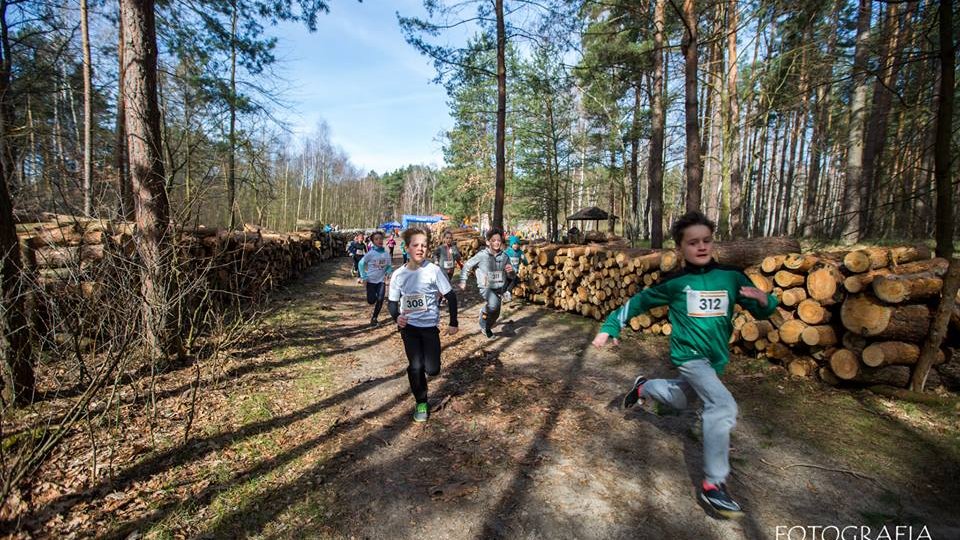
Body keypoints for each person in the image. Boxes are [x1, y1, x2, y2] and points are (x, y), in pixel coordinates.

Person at [591, 211, 777, 519]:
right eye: (693, 243)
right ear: (680, 249)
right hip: (689, 356)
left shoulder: (731, 276)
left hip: (716, 358)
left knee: (682, 399)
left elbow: (762, 310)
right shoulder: (675, 282)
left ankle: (644, 388)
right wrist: (611, 325)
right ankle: (713, 485)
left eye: (706, 240)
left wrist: (764, 299)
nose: (701, 247)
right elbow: (637, 303)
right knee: (722, 406)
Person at [387, 227, 459, 422]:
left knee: (433, 369)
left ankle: (417, 371)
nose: (420, 249)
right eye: (415, 245)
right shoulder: (398, 275)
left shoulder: (433, 271)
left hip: (429, 329)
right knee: (416, 366)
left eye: (424, 246)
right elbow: (393, 304)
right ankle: (421, 401)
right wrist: (397, 318)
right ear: (407, 248)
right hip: (409, 329)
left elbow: (451, 297)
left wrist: (453, 322)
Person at [459, 228, 516, 339]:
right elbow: (467, 265)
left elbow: (512, 276)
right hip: (485, 287)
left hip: (499, 287)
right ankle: (484, 323)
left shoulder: (505, 257)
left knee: (496, 313)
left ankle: (486, 326)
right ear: (488, 242)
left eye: (498, 240)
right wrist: (463, 280)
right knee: (493, 305)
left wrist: (511, 272)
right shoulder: (482, 255)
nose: (496, 243)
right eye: (493, 240)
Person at [358, 231, 393, 327]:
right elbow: (361, 264)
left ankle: (374, 318)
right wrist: (363, 276)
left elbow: (389, 266)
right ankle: (371, 297)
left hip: (381, 281)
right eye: (376, 239)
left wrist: (388, 271)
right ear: (373, 242)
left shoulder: (386, 254)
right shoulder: (371, 253)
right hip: (370, 281)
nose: (379, 240)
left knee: (381, 299)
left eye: (381, 238)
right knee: (371, 301)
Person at [502, 235, 528, 303]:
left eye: (517, 244)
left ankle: (501, 294)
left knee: (507, 282)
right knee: (515, 279)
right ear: (511, 244)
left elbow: (526, 262)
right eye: (514, 244)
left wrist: (524, 259)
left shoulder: (520, 252)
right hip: (508, 270)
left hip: (514, 271)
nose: (516, 245)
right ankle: (508, 293)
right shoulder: (508, 252)